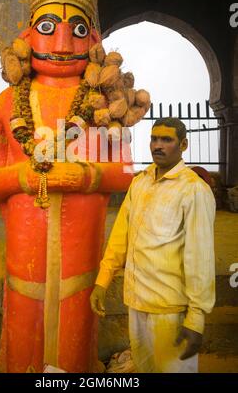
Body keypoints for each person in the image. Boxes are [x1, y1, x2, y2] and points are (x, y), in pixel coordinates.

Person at [0, 0, 144, 373]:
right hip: (24, 249)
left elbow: (125, 175)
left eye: (78, 28)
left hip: (81, 245)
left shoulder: (101, 104)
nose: (64, 41)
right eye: (49, 26)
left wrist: (84, 176)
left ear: (95, 39)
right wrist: (23, 177)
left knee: (75, 324)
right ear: (27, 33)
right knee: (24, 326)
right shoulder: (4, 104)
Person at [90, 117, 216, 373]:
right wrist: (102, 280)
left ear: (183, 145)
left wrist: (196, 318)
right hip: (136, 303)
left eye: (166, 140)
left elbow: (200, 257)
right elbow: (120, 236)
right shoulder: (140, 182)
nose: (157, 145)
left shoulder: (194, 190)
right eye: (154, 138)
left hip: (170, 311)